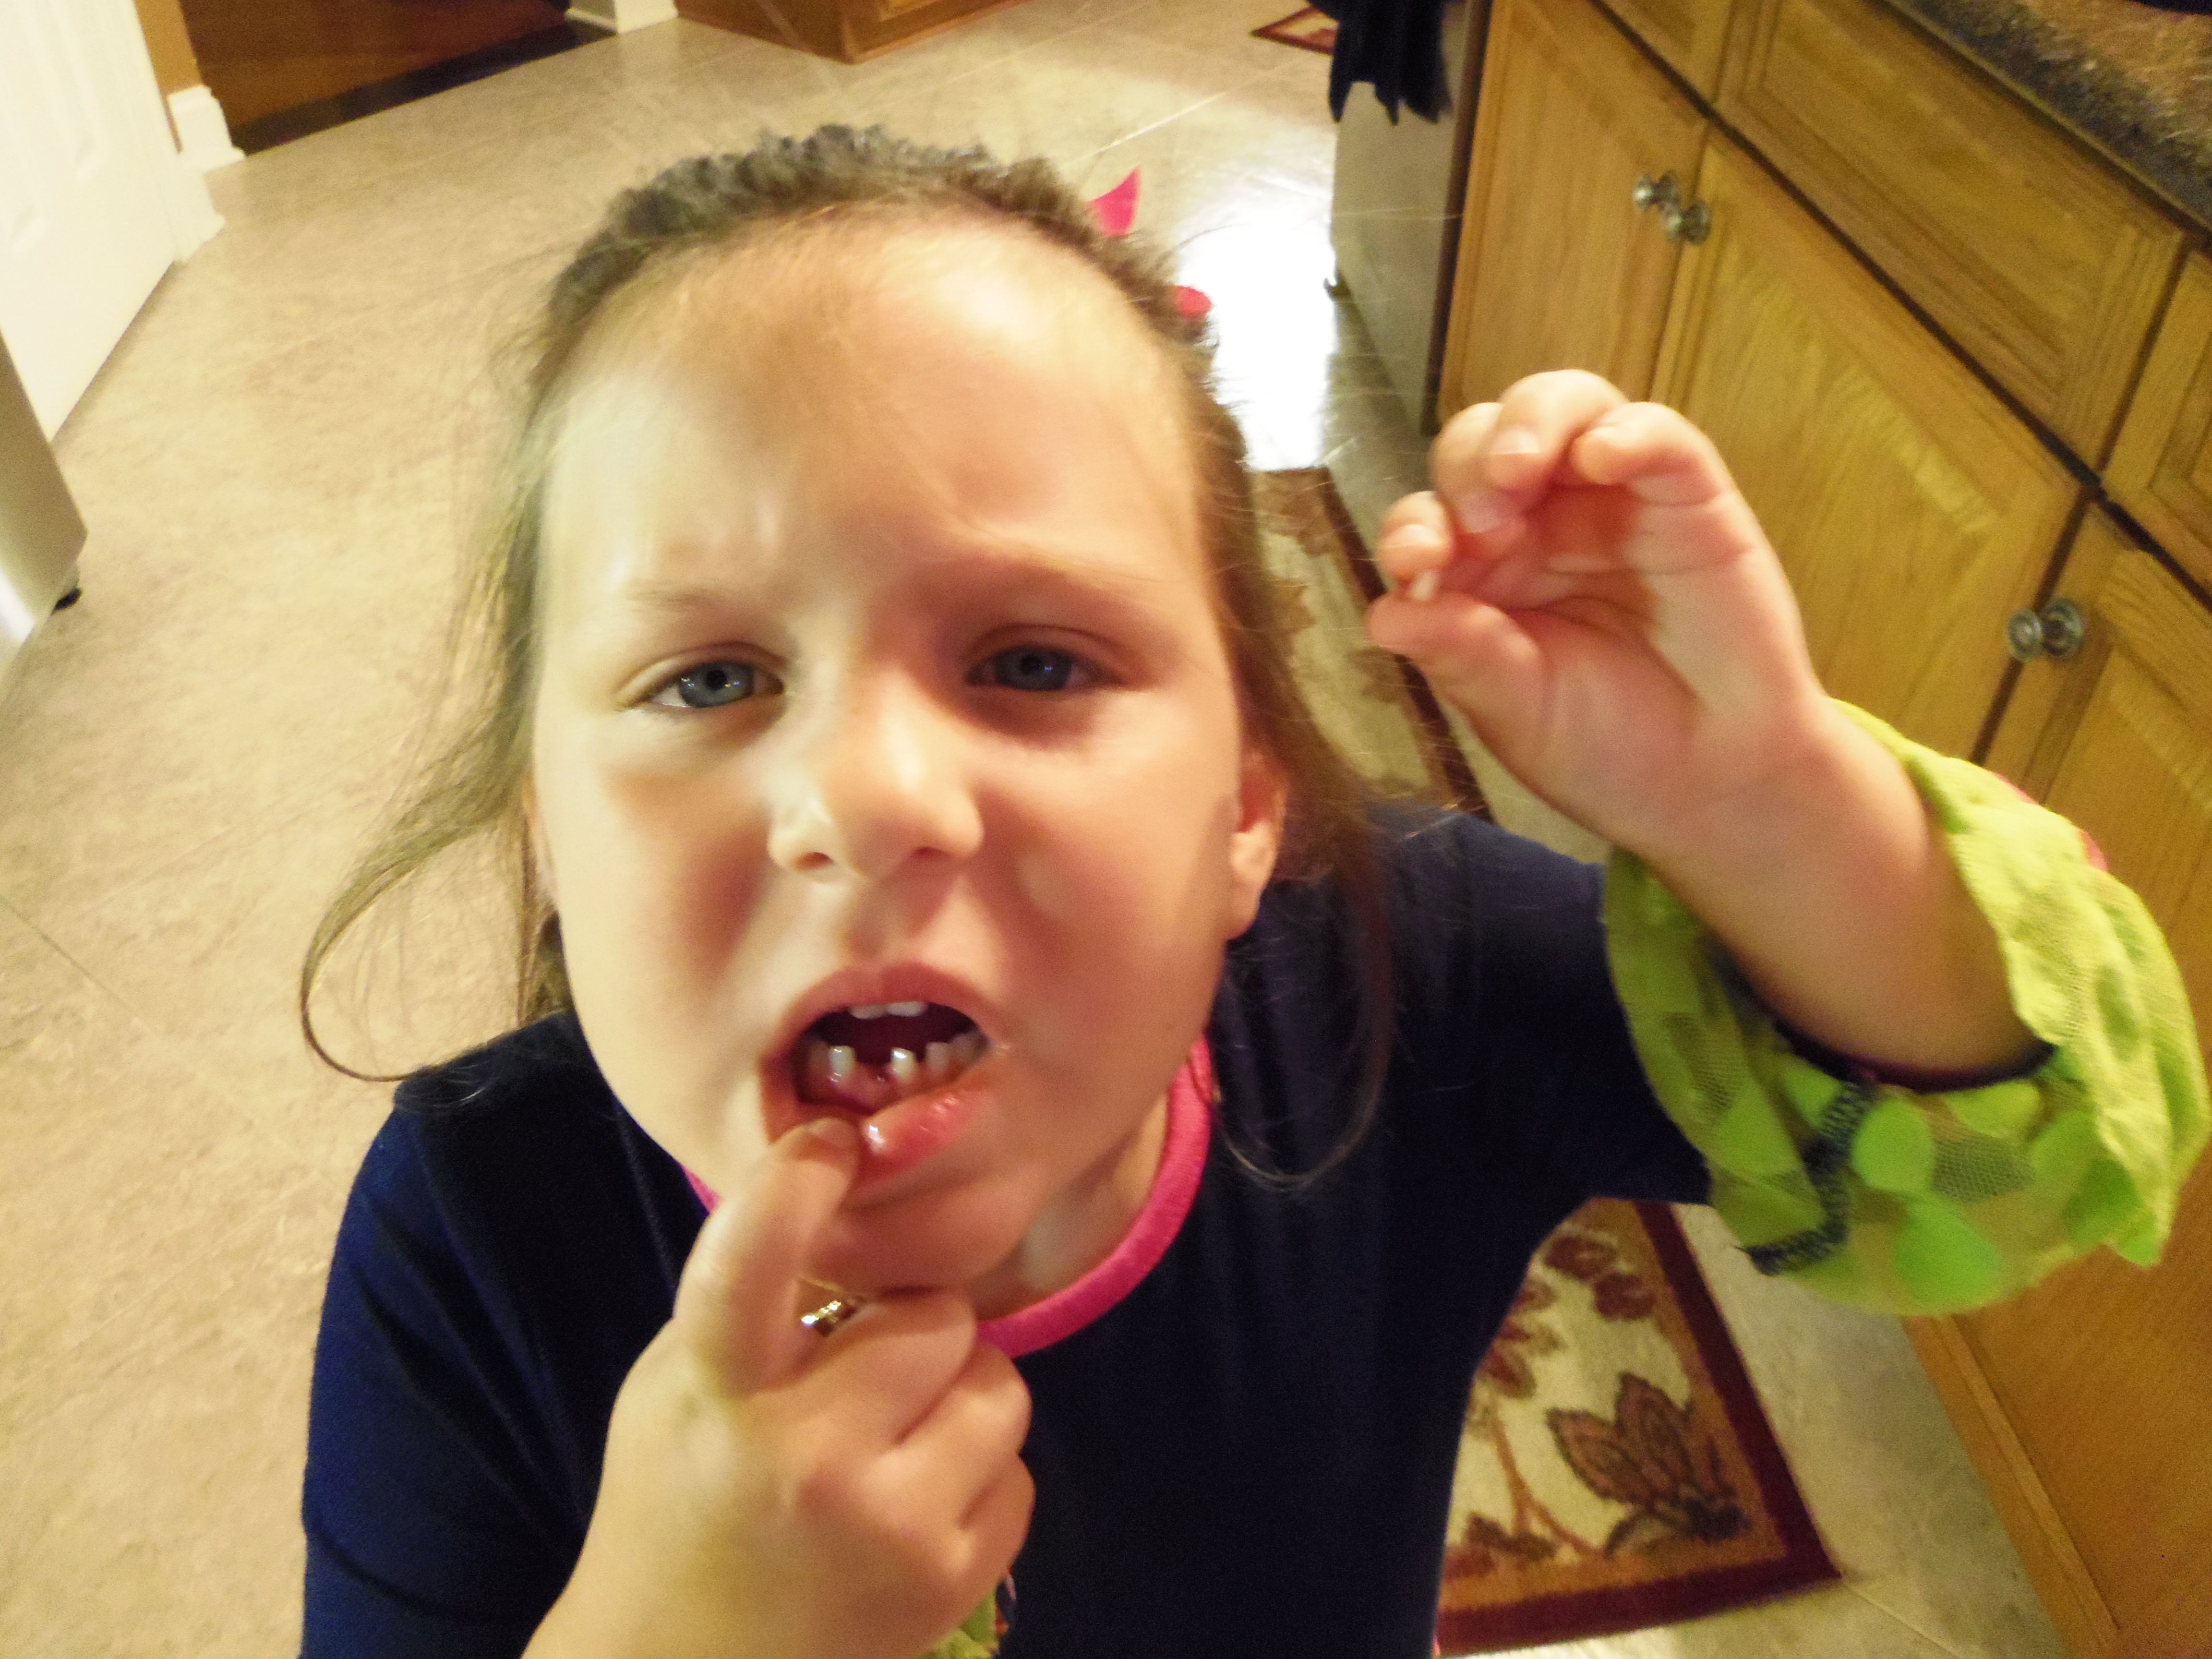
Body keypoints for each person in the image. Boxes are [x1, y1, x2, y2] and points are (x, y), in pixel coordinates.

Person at [296, 126, 2206, 1659]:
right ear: (546, 821)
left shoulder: (1408, 973)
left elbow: (2015, 1155)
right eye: (710, 678)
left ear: (1245, 816)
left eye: (1031, 661)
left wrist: (1766, 805)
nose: (864, 802)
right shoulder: (474, 1232)